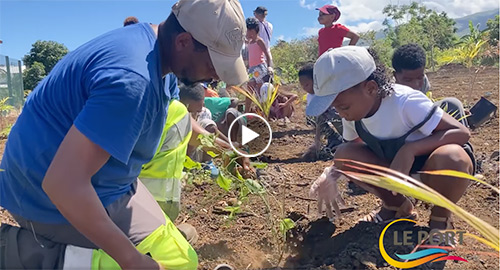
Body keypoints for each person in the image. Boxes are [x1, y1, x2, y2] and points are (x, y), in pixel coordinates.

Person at [0, 0, 248, 269]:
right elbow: (63, 184)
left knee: (181, 259)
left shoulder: (159, 58)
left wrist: (225, 149)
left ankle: (133, 241)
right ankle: (28, 254)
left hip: (105, 181)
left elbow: (185, 122)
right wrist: (130, 259)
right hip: (45, 195)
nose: (214, 77)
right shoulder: (132, 80)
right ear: (184, 41)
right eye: (213, 64)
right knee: (158, 264)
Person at [308, 46, 475, 237]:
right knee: (344, 154)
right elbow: (350, 153)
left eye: (343, 106)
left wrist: (410, 150)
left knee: (453, 156)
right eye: (336, 108)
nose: (341, 113)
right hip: (397, 173)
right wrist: (331, 174)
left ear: (371, 88)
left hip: (435, 172)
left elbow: (461, 132)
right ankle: (396, 207)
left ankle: (440, 217)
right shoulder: (354, 115)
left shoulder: (405, 102)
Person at [392, 43, 469, 127]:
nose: (415, 85)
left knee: (453, 104)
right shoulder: (390, 91)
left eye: (419, 78)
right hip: (402, 123)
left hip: (422, 116)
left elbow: (425, 104)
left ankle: (463, 137)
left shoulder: (424, 81)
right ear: (395, 76)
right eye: (408, 80)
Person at [299, 62, 343, 160]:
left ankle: (348, 140)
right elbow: (319, 120)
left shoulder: (329, 90)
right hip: (331, 122)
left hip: (346, 121)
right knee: (311, 116)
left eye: (307, 84)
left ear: (315, 80)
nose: (305, 89)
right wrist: (317, 141)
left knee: (331, 112)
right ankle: (334, 139)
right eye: (303, 87)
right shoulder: (311, 97)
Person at [245, 17, 273, 113]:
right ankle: (246, 113)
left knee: (261, 92)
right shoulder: (249, 42)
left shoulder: (259, 41)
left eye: (247, 31)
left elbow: (267, 54)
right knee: (249, 91)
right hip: (252, 69)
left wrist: (269, 66)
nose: (246, 33)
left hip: (259, 68)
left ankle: (264, 113)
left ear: (252, 31)